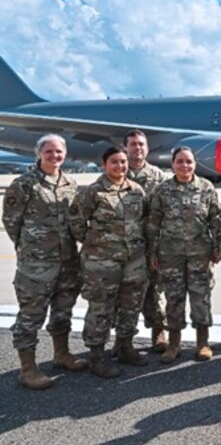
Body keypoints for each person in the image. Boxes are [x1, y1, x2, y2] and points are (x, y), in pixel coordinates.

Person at [3, 135, 88, 389]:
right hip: (36, 264)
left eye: (59, 151)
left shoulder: (70, 183)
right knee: (31, 315)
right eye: (49, 151)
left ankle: (61, 355)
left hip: (67, 260)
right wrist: (29, 248)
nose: (54, 156)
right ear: (39, 154)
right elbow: (11, 221)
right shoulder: (24, 184)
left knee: (63, 310)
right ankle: (28, 369)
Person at [69, 146, 149, 378]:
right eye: (114, 162)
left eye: (123, 162)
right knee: (100, 308)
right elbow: (76, 221)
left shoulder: (136, 191)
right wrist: (94, 244)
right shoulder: (92, 192)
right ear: (104, 164)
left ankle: (125, 347)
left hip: (133, 260)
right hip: (101, 263)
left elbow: (143, 220)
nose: (120, 166)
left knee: (131, 305)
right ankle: (96, 356)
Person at [146, 147, 221, 364]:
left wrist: (217, 247)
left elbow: (215, 220)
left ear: (195, 164)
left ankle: (202, 342)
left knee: (201, 298)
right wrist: (153, 251)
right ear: (173, 164)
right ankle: (174, 343)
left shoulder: (206, 188)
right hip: (171, 255)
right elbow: (153, 224)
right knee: (174, 299)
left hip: (200, 254)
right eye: (180, 162)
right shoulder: (162, 191)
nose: (184, 166)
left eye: (188, 162)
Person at [124, 129, 168, 353]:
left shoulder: (158, 177)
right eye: (133, 144)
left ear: (147, 148)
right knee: (125, 293)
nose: (137, 148)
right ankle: (124, 339)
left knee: (154, 289)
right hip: (124, 246)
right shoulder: (117, 173)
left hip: (151, 243)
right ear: (126, 148)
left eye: (141, 144)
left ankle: (158, 330)